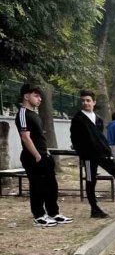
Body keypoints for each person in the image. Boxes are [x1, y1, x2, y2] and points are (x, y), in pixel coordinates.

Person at [70, 90, 115, 218]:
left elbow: (100, 137)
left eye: (88, 100)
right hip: (89, 157)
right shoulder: (78, 119)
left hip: (103, 154)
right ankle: (94, 209)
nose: (85, 103)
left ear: (94, 102)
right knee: (91, 181)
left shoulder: (99, 119)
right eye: (83, 100)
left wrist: (107, 151)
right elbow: (75, 139)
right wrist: (82, 154)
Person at [15, 83, 71, 227]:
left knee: (51, 185)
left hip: (43, 155)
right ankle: (39, 215)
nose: (39, 99)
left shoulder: (35, 114)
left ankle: (53, 213)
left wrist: (45, 153)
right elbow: (25, 137)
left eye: (40, 96)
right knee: (37, 187)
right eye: (36, 95)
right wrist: (37, 155)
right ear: (26, 96)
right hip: (32, 157)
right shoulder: (23, 113)